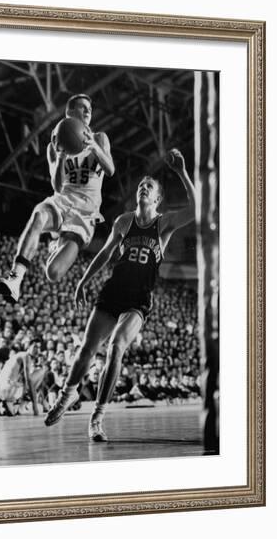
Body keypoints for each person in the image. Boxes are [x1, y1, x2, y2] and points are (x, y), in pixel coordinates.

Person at [44, 148, 196, 441]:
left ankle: (97, 417)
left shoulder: (164, 224)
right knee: (87, 350)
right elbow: (104, 254)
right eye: (141, 185)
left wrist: (181, 172)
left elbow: (196, 208)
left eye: (148, 187)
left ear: (157, 199)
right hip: (113, 291)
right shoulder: (123, 221)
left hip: (139, 299)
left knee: (116, 347)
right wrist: (83, 281)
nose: (142, 187)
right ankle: (66, 396)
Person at [0, 94, 115, 302]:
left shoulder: (100, 138)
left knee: (54, 273)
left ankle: (55, 245)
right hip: (63, 200)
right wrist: (61, 158)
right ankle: (16, 277)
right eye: (82, 107)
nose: (88, 111)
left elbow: (110, 170)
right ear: (70, 113)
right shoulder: (54, 145)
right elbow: (57, 186)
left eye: (90, 108)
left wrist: (94, 147)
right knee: (38, 215)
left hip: (85, 212)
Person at [0, 338, 46, 415]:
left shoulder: (18, 356)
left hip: (2, 389)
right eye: (35, 347)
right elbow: (28, 380)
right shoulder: (26, 356)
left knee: (12, 413)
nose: (37, 350)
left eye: (39, 348)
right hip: (8, 389)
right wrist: (34, 406)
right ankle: (21, 400)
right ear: (28, 346)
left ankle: (4, 402)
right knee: (41, 371)